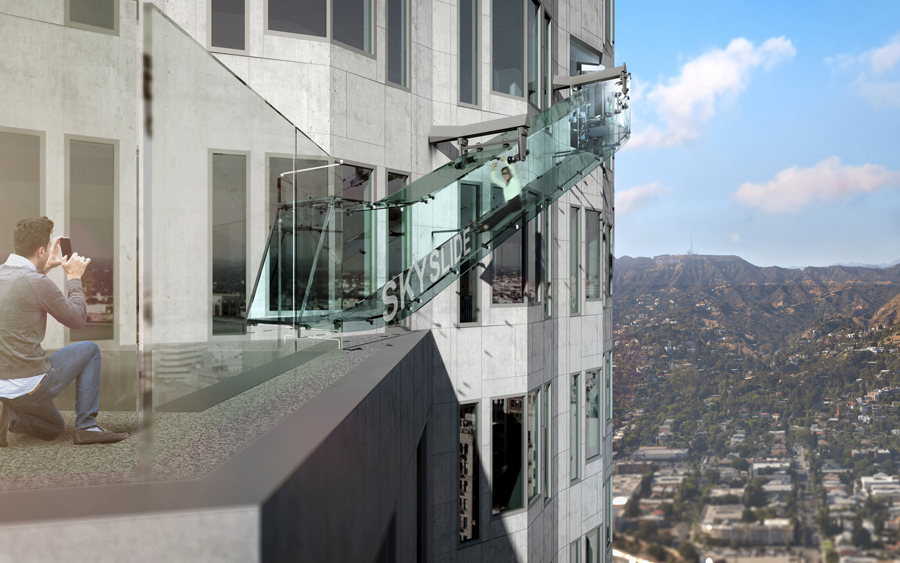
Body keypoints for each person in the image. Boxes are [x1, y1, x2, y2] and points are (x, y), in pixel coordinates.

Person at [0, 217, 127, 446]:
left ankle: (10, 414)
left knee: (55, 428)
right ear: (41, 250)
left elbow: (23, 293)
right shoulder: (36, 283)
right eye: (48, 247)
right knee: (90, 349)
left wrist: (45, 267)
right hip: (31, 385)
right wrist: (74, 277)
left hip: (2, 385)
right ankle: (88, 426)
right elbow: (77, 320)